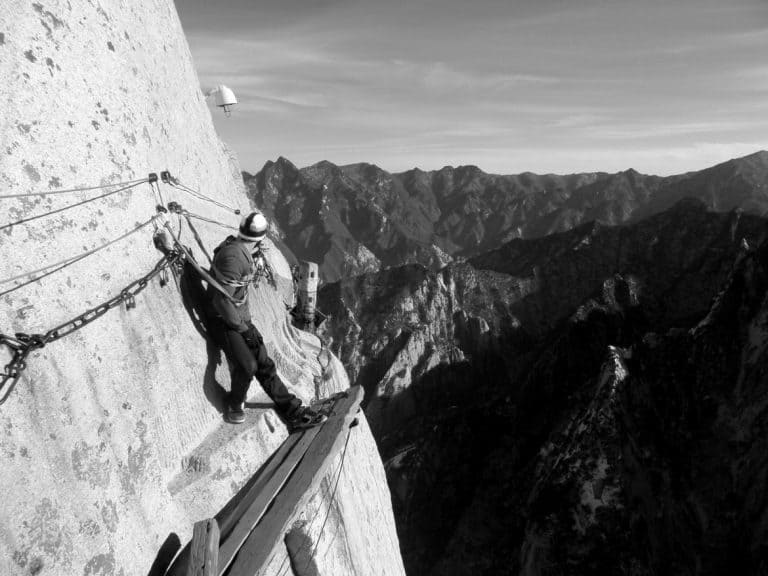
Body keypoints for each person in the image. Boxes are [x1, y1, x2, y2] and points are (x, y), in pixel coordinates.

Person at [205, 210, 323, 427]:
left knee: (264, 362)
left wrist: (245, 326)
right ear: (261, 238)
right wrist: (243, 329)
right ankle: (234, 403)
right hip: (222, 319)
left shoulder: (243, 251)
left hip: (239, 317)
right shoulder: (233, 257)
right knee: (248, 366)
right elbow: (221, 301)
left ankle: (291, 409)